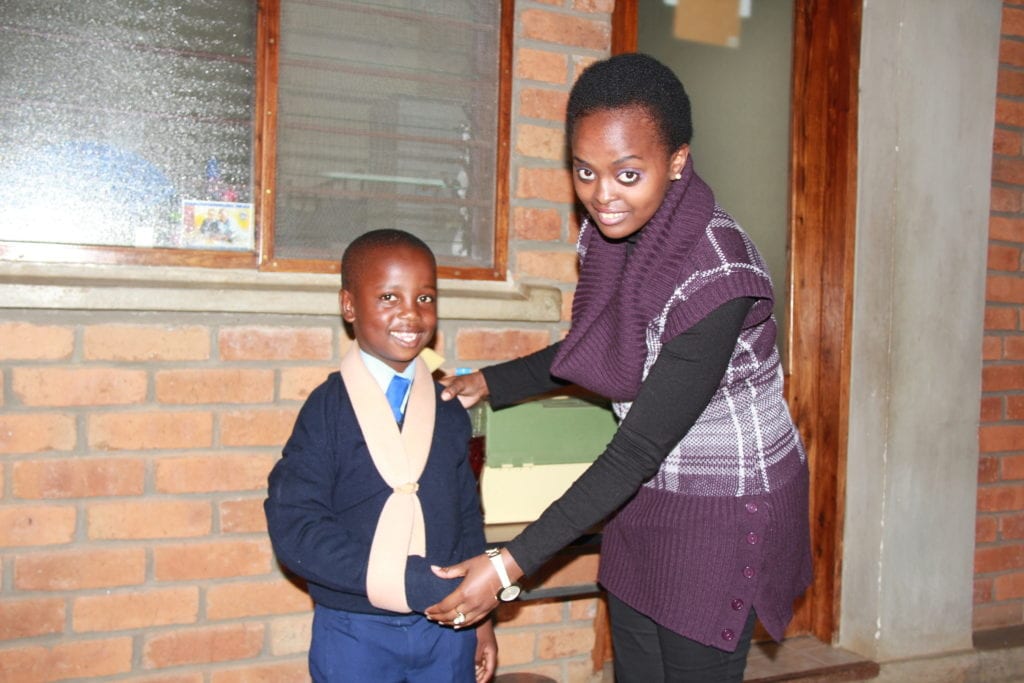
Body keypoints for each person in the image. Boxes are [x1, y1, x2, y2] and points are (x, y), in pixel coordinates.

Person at [426, 53, 812, 682]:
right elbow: (602, 348)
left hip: (723, 506)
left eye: (628, 173)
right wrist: (488, 383)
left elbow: (637, 448)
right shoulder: (625, 234)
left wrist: (505, 566)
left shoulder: (718, 276)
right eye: (586, 171)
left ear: (678, 161)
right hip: (648, 496)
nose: (603, 196)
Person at [264, 229, 497, 682]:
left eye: (425, 298)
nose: (411, 313)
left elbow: (467, 514)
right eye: (389, 296)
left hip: (446, 627)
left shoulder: (448, 411)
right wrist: (405, 582)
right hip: (356, 628)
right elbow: (296, 526)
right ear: (349, 306)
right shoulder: (327, 411)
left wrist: (480, 617)